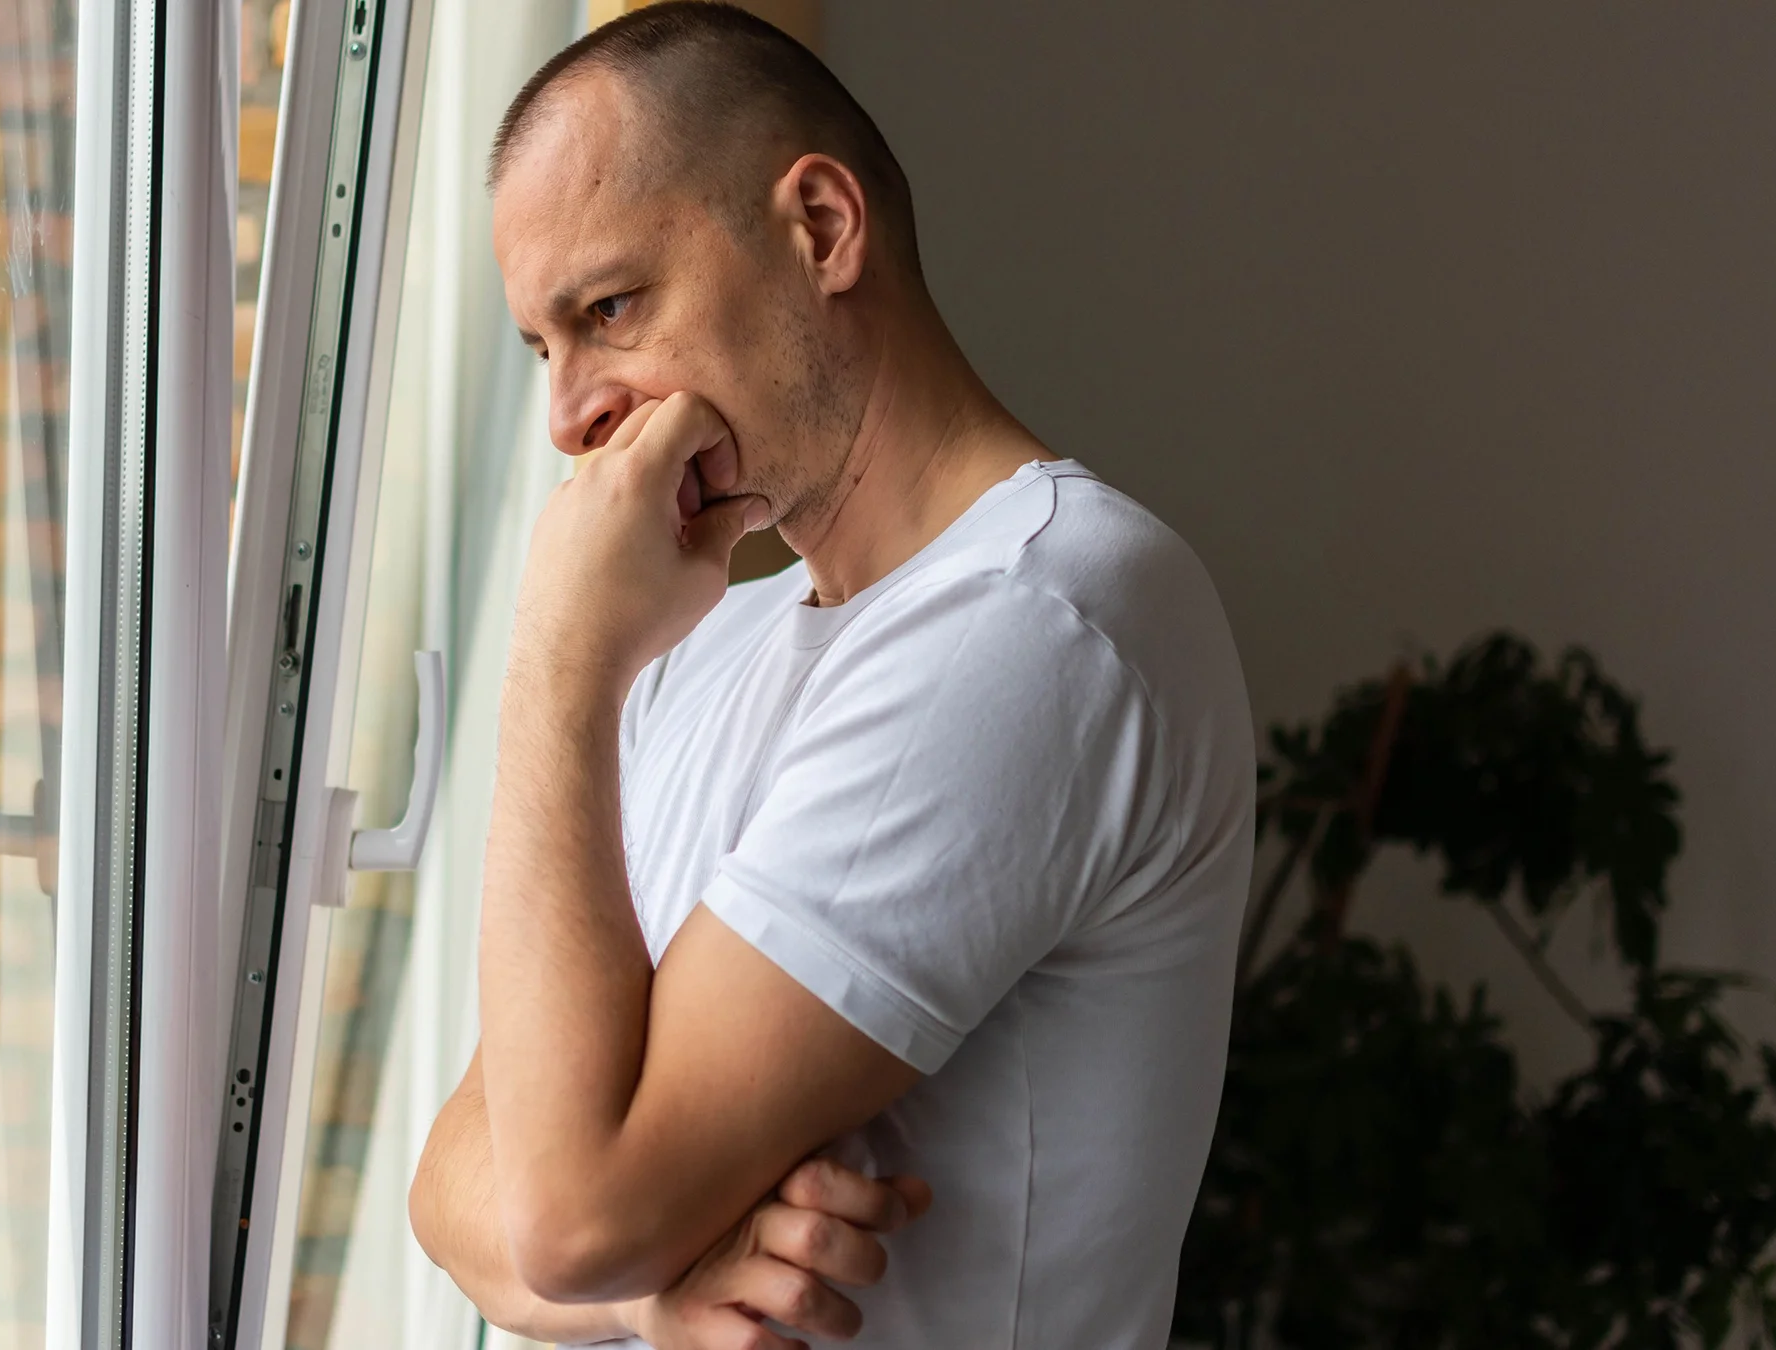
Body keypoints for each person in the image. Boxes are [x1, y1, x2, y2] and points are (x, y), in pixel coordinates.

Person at [407, 5, 1255, 1347]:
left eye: (611, 308)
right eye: (543, 348)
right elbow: (457, 1175)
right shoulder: (710, 650)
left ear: (821, 229)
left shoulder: (1036, 614)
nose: (571, 413)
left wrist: (560, 659)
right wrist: (653, 1284)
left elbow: (562, 1213)